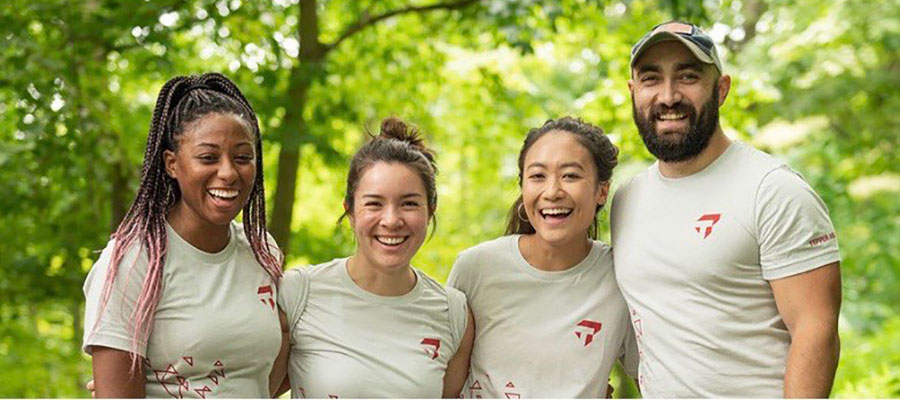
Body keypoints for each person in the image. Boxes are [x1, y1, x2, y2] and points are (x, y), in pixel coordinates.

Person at [611, 21, 842, 397]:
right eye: (651, 79)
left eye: (688, 76)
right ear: (633, 92)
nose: (668, 96)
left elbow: (816, 331)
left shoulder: (772, 190)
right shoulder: (626, 198)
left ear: (721, 89)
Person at [82, 73, 286, 398]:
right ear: (172, 164)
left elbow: (262, 377)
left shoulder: (262, 250)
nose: (228, 172)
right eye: (208, 157)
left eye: (243, 157)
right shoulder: (135, 260)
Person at [273, 117, 475, 398]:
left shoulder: (453, 314)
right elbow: (248, 387)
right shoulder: (299, 294)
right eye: (374, 204)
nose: (391, 220)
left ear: (430, 210)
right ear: (350, 211)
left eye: (409, 203)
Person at [447, 117, 637, 398]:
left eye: (570, 175)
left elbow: (658, 376)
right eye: (537, 176)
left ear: (602, 190)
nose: (552, 192)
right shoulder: (476, 268)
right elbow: (441, 379)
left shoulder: (621, 275)